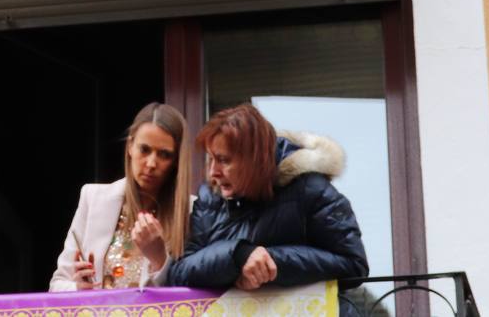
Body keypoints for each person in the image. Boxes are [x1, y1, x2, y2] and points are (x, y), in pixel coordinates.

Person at [166, 103, 369, 315]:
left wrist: (272, 262)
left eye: (223, 160)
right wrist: (237, 255)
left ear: (254, 159)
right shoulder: (210, 197)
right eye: (211, 159)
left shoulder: (311, 189)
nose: (212, 172)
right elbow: (179, 273)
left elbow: (354, 265)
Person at [49, 103, 192, 291]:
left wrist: (160, 261)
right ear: (130, 147)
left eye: (164, 154)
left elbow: (196, 300)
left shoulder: (192, 210)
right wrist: (78, 288)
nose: (151, 163)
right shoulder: (93, 199)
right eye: (145, 149)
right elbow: (57, 285)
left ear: (176, 161)